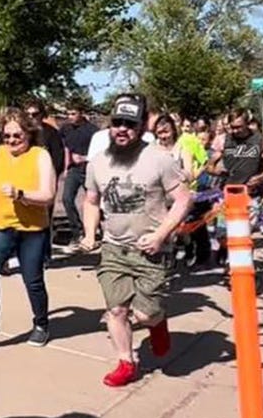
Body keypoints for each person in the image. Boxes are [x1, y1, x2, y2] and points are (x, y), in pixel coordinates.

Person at [82, 94, 192, 388]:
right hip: (114, 248)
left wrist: (161, 234)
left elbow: (183, 200)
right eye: (117, 122)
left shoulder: (160, 158)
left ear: (143, 126)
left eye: (129, 124)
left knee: (145, 312)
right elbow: (91, 201)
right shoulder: (98, 163)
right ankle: (126, 362)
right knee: (116, 310)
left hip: (153, 252)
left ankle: (158, 322)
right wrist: (91, 233)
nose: (122, 129)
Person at [0, 108, 56, 346]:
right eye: (7, 136)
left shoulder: (40, 156)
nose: (12, 141)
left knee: (32, 279)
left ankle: (41, 324)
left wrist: (21, 194)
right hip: (0, 224)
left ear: (28, 133)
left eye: (17, 135)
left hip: (32, 229)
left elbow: (48, 195)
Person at [58, 102, 98, 250]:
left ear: (81, 113)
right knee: (67, 199)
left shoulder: (92, 130)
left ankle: (94, 231)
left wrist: (84, 158)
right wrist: (66, 166)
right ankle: (77, 232)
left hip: (89, 168)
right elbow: (65, 146)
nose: (70, 117)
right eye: (68, 114)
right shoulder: (65, 129)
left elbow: (100, 152)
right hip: (73, 169)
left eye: (73, 114)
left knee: (93, 201)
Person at [153, 113, 195, 179]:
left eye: (166, 132)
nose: (163, 136)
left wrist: (183, 176)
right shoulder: (152, 148)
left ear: (173, 131)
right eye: (159, 133)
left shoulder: (183, 150)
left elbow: (190, 176)